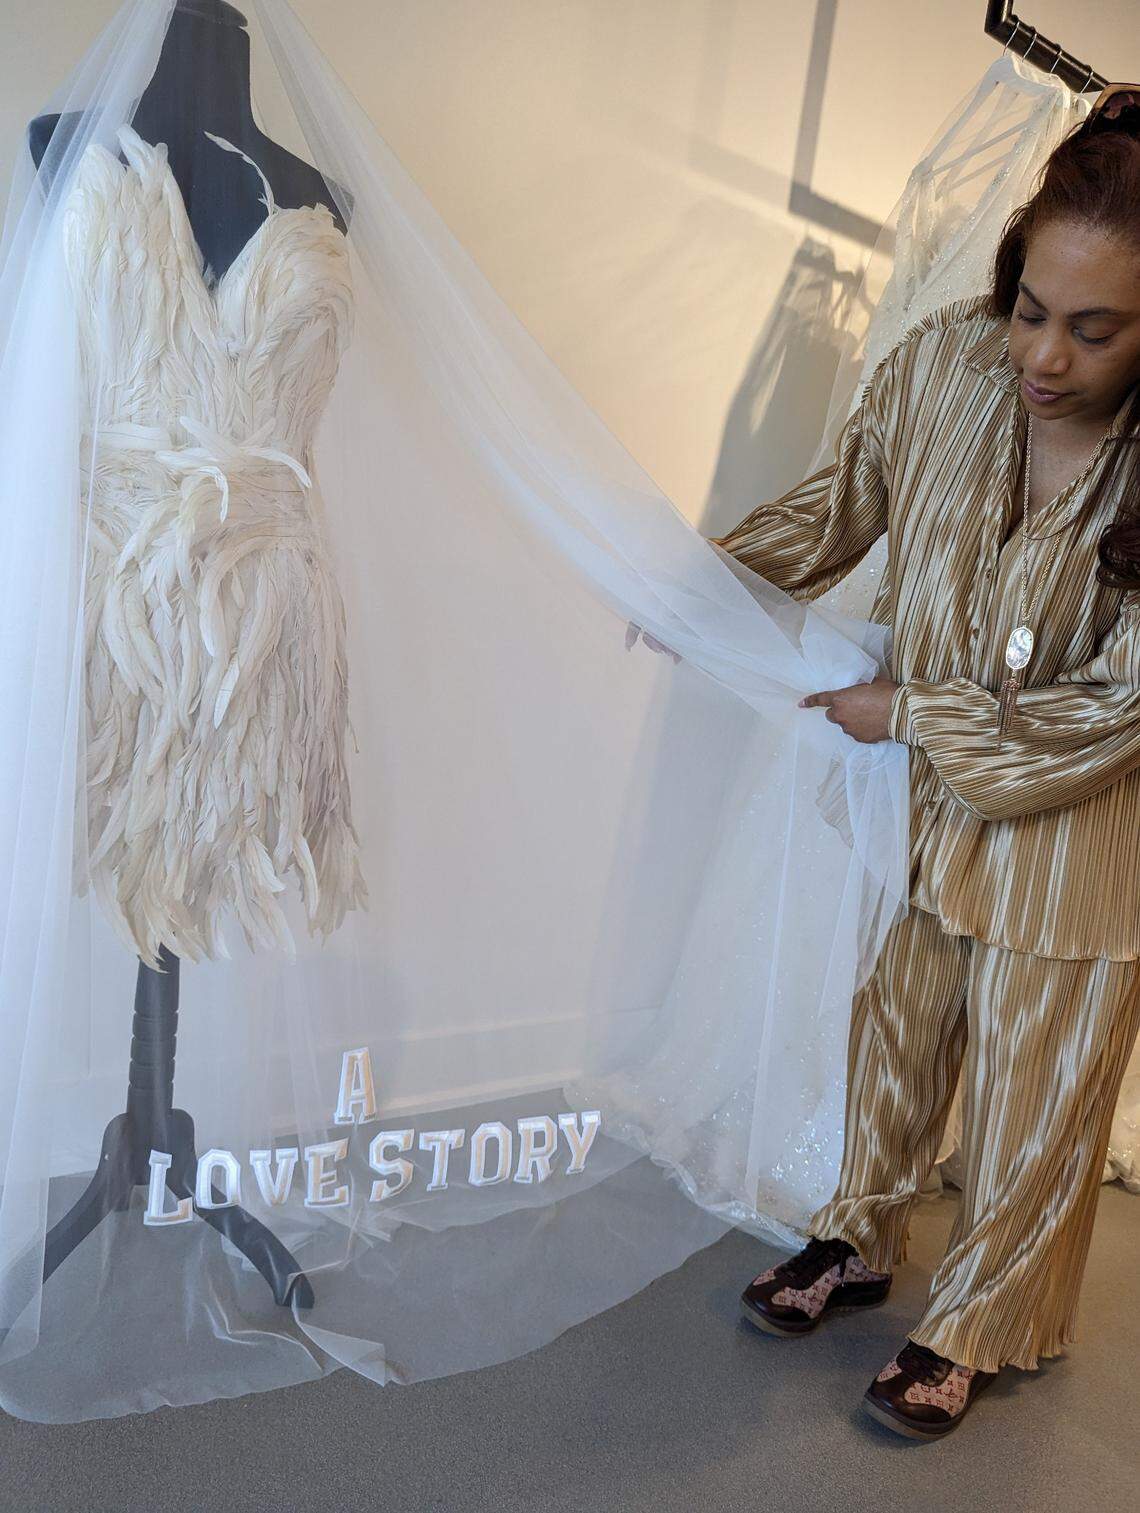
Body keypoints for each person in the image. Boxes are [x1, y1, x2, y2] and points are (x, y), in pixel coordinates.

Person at [705, 83, 1140, 1440]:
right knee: (894, 1029)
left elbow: (1119, 713)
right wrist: (706, 590)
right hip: (935, 815)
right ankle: (858, 1235)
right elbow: (843, 505)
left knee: (1036, 1090)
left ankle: (979, 1317)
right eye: (1031, 308)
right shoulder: (945, 370)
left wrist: (909, 715)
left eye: (1095, 329)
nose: (1045, 357)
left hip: (1078, 842)